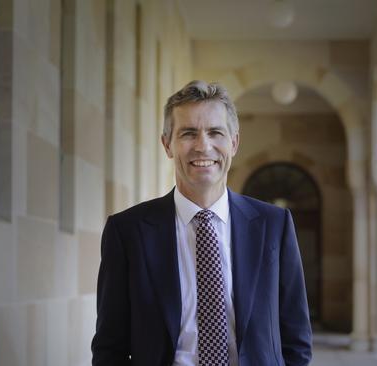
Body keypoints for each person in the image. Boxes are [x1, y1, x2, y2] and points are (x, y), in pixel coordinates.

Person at [91, 80, 312, 366]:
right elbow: (110, 346)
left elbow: (296, 339)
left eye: (215, 132)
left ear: (234, 143)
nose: (202, 146)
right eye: (188, 133)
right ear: (167, 144)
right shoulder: (127, 232)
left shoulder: (274, 225)